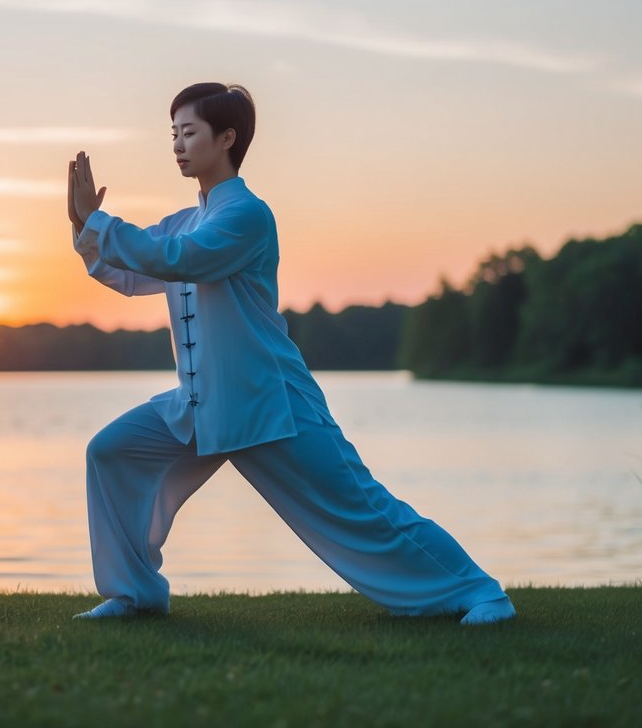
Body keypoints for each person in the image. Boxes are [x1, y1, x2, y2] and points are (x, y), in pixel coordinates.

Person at [67, 82, 515, 625]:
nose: (178, 145)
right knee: (110, 454)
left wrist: (100, 224)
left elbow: (177, 258)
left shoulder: (247, 216)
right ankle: (135, 594)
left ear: (227, 138)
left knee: (361, 506)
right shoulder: (187, 219)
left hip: (270, 400)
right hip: (199, 405)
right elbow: (133, 269)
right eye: (174, 134)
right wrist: (83, 227)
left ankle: (482, 591)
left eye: (190, 133)